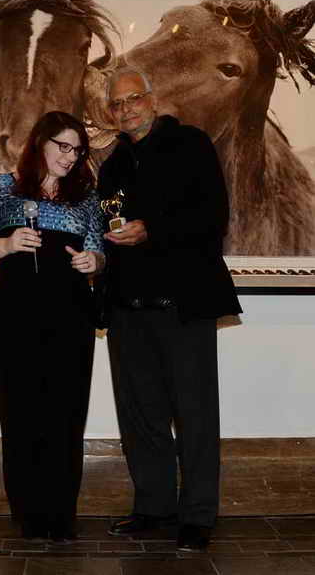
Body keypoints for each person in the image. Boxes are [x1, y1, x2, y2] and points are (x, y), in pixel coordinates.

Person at [96, 67, 242, 552]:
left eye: (133, 98)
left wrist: (150, 229)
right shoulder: (113, 163)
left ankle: (198, 516)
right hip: (126, 307)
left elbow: (213, 216)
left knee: (195, 415)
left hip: (183, 305)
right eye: (116, 104)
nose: (125, 109)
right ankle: (153, 507)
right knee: (140, 416)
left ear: (152, 98)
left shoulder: (191, 144)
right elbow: (105, 223)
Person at [0, 111, 105, 543]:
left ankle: (60, 513)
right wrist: (7, 244)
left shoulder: (86, 197)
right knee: (21, 411)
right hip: (15, 315)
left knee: (66, 414)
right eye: (63, 146)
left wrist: (93, 261)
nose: (71, 156)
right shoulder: (0, 188)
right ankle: (28, 512)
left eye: (77, 149)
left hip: (72, 316)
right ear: (40, 142)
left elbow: (98, 251)